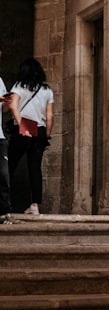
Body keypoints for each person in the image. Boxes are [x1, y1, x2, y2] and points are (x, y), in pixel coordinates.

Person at [7, 58, 54, 215]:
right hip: (39, 129)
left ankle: (4, 202)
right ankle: (35, 205)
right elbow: (50, 115)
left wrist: (22, 125)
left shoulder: (19, 86)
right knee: (35, 168)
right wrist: (46, 135)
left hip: (22, 129)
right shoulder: (47, 91)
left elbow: (13, 106)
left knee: (9, 166)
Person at [0, 51, 11, 223]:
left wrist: (8, 103)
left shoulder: (0, 81)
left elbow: (3, 110)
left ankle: (3, 212)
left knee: (3, 174)